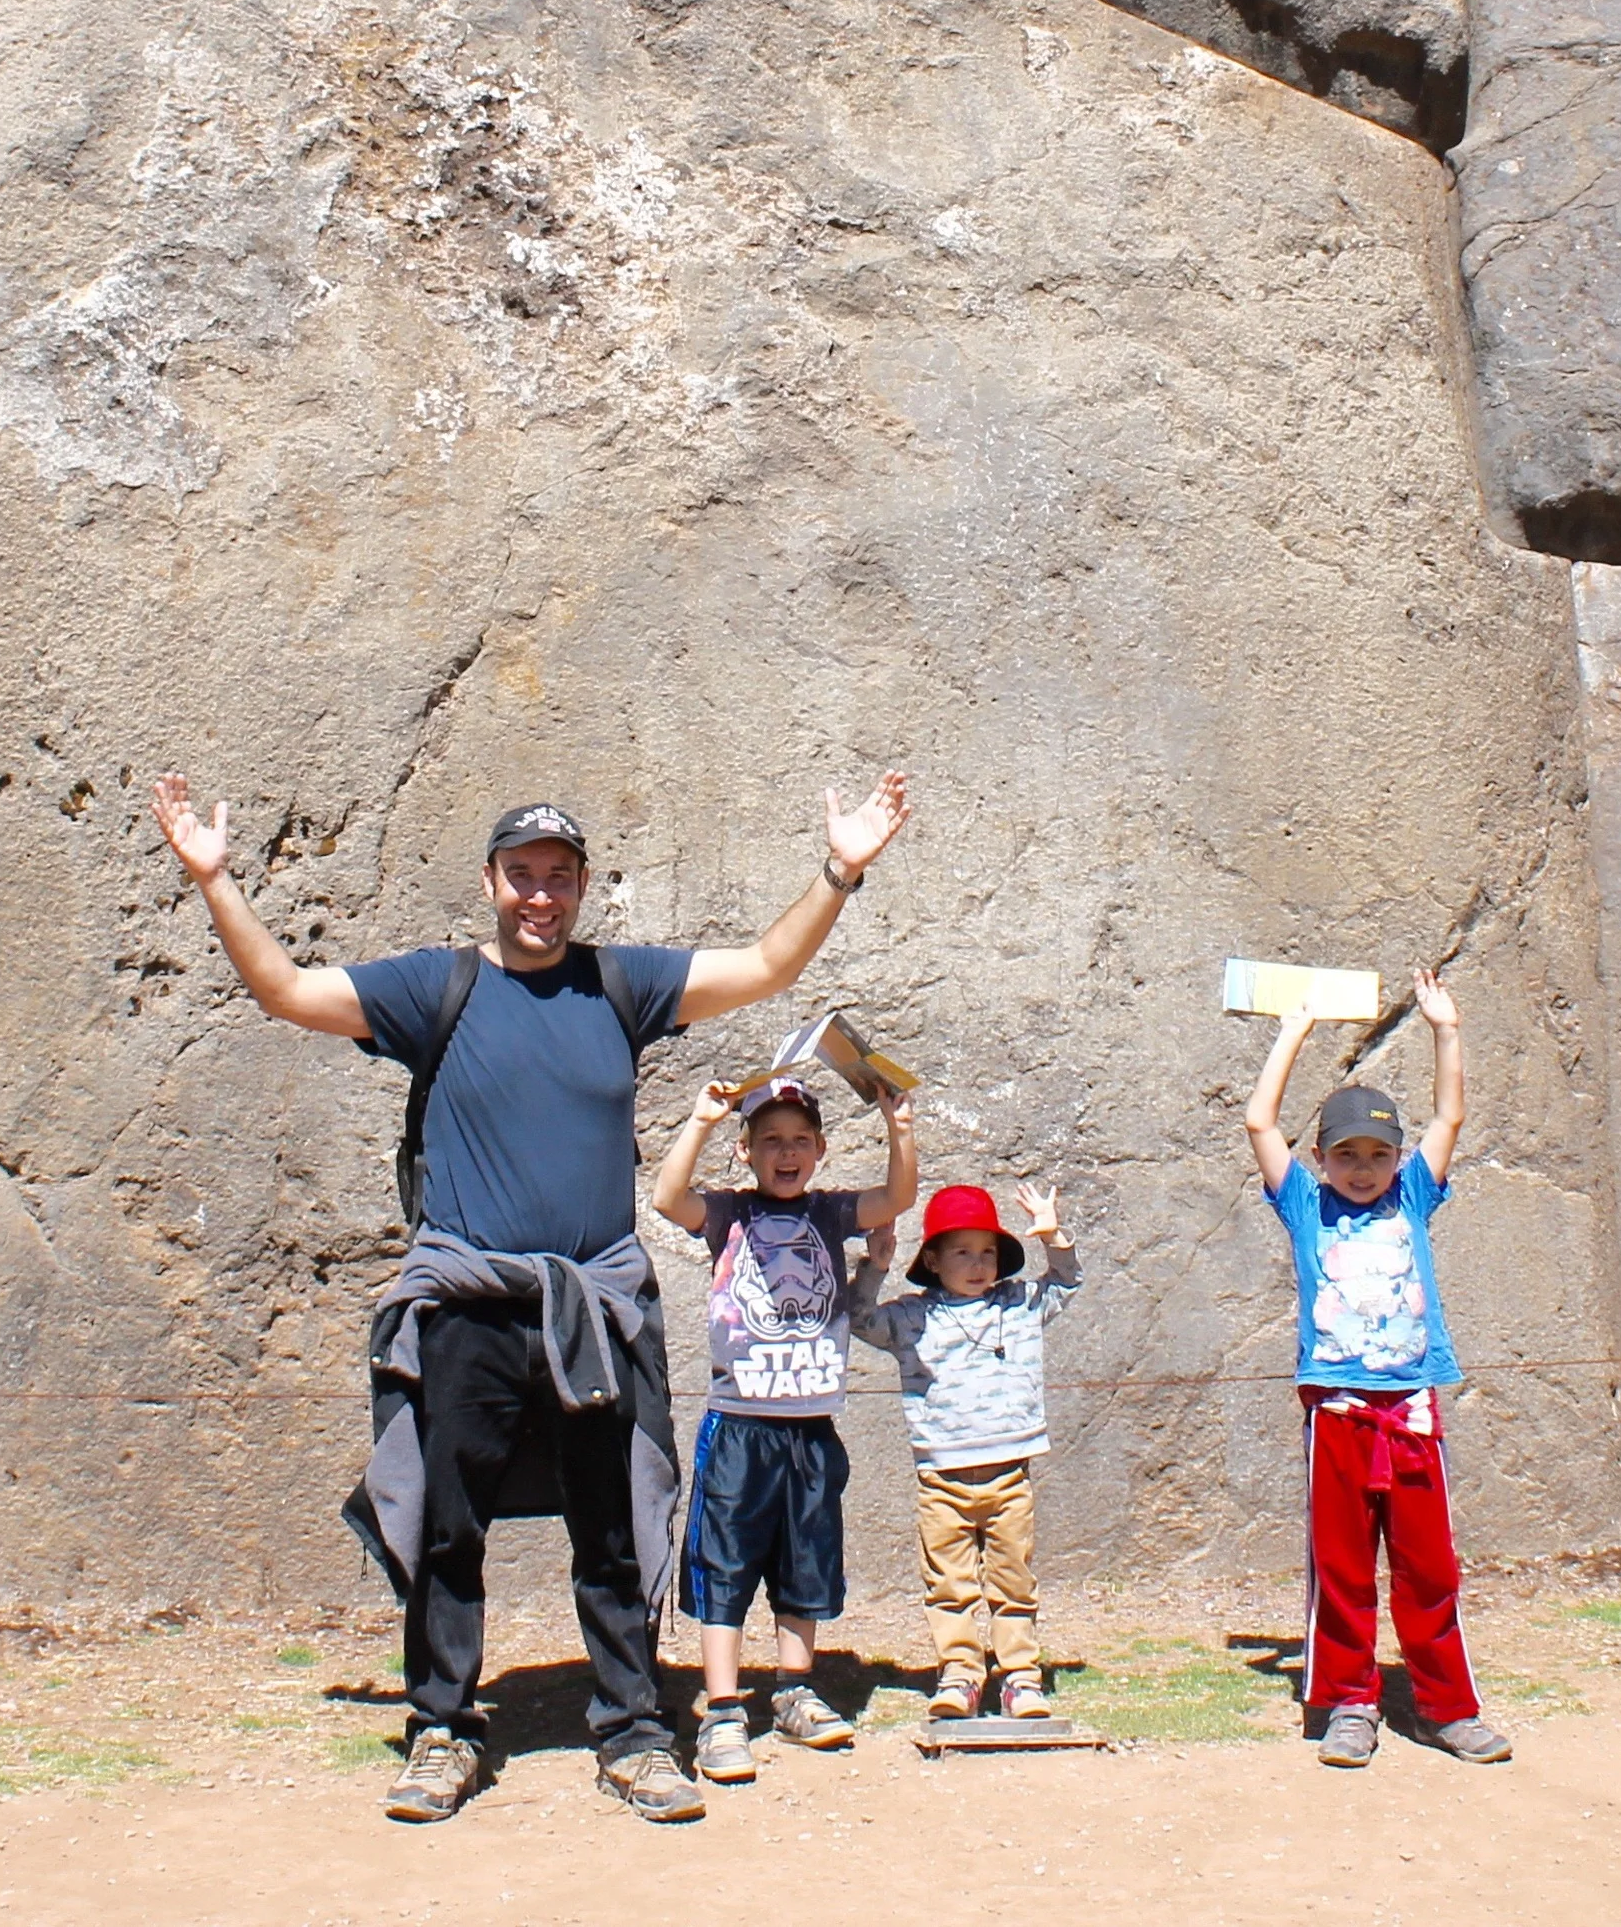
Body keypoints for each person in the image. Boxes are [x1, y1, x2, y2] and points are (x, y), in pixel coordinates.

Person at [148, 770, 912, 1825]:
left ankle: (636, 1728)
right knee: (446, 1527)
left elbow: (769, 964)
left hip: (593, 1307)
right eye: (521, 875)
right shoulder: (437, 989)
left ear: (584, 884)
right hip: (468, 1300)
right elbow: (284, 989)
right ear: (491, 882)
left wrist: (841, 868)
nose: (540, 894)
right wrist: (215, 878)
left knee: (613, 1525)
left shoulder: (621, 985)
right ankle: (442, 1727)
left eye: (559, 875)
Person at [1243, 968, 1514, 1769]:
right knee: (1343, 1567)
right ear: (1320, 1157)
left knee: (1430, 1569)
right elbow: (1260, 1119)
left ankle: (1447, 1708)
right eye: (1347, 1153)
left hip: (1413, 1409)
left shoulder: (1416, 1197)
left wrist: (1446, 1029)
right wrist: (1296, 1030)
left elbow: (1451, 1113)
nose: (1363, 1168)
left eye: (1378, 1153)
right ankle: (1349, 1704)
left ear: (1399, 1158)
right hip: (1338, 1411)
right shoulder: (1304, 1205)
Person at [649, 1070, 919, 1782]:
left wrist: (901, 1128)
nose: (786, 1152)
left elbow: (897, 1198)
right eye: (770, 1140)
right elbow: (665, 1197)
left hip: (810, 1425)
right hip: (739, 1425)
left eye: (800, 1139)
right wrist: (702, 1120)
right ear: (746, 1151)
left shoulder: (831, 1214)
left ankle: (795, 1689)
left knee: (807, 1559)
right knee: (725, 1563)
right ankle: (724, 1709)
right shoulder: (728, 1214)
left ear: (822, 1149)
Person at [849, 1180, 1080, 1719]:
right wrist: (874, 1268)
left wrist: (1055, 1236)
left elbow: (1067, 1283)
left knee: (1013, 1579)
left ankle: (1021, 1677)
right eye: (961, 1252)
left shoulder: (1019, 1304)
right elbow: (858, 1320)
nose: (978, 1265)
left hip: (1008, 1474)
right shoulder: (910, 1316)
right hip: (941, 1479)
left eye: (988, 1252)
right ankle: (959, 1676)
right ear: (932, 1258)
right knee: (949, 1584)